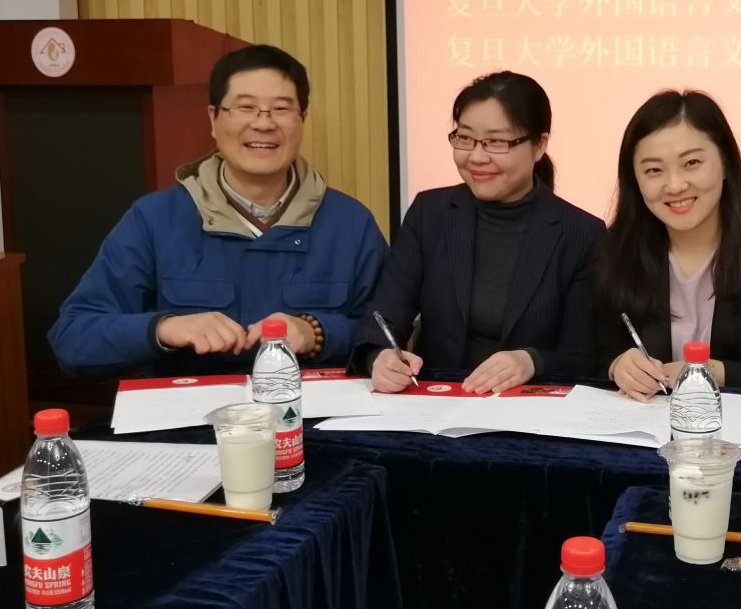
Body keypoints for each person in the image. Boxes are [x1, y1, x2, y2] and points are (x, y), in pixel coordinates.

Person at [50, 45, 386, 378]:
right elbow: (73, 337)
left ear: (302, 119)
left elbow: (387, 338)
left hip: (312, 408)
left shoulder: (351, 223)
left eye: (281, 109)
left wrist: (315, 332)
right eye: (245, 107)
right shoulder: (154, 218)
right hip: (188, 409)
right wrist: (164, 328)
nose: (263, 123)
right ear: (213, 118)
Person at [351, 72, 604, 393]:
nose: (477, 156)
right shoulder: (430, 213)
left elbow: (584, 358)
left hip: (530, 409)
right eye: (465, 138)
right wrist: (379, 356)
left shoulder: (581, 233)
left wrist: (533, 361)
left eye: (496, 142)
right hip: (437, 402)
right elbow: (383, 317)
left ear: (539, 145)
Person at [598, 90, 741, 398]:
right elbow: (591, 355)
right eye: (653, 170)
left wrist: (715, 372)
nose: (675, 185)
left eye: (691, 162)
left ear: (726, 163)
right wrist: (617, 366)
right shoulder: (613, 251)